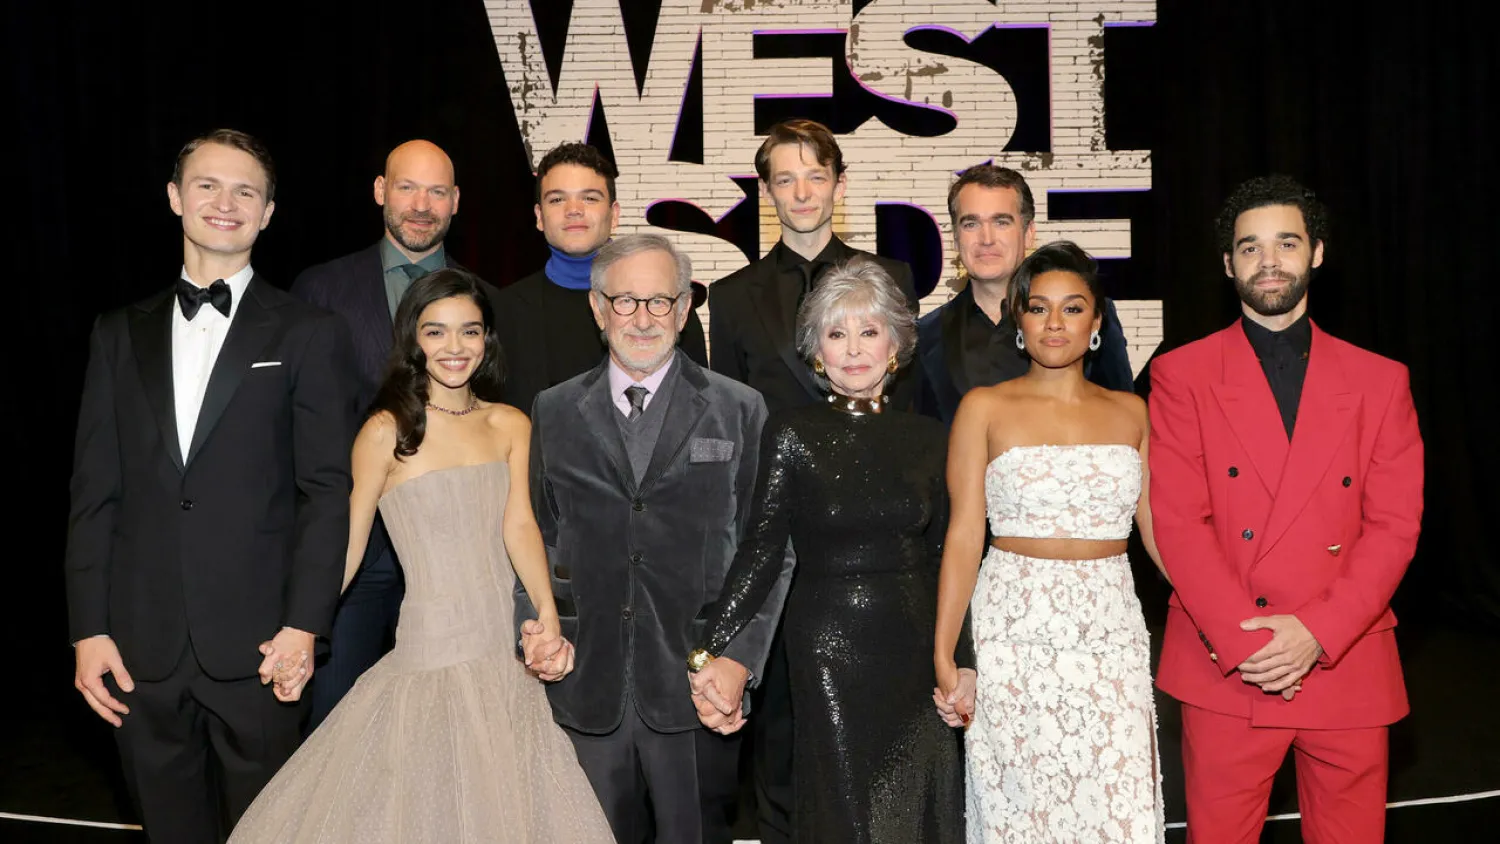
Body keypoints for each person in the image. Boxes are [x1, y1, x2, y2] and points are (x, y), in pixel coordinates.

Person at [228, 269, 613, 843]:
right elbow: (349, 545)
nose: (454, 348)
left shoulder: (510, 423)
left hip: (503, 654)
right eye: (436, 332)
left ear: (487, 340)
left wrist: (547, 615)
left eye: (470, 332)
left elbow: (520, 524)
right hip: (429, 648)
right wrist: (300, 629)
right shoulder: (385, 431)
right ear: (413, 339)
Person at [64, 128, 356, 843]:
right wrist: (88, 629)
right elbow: (93, 493)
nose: (225, 203)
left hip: (261, 651)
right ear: (174, 198)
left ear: (267, 213)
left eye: (245, 191)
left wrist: (303, 627)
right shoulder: (115, 332)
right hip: (138, 650)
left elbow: (328, 491)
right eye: (207, 185)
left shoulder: (311, 333)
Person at [1149, 175, 1423, 843]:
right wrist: (1253, 646)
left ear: (1318, 253)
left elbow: (1394, 527)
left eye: (1287, 242)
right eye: (1250, 247)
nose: (1269, 261)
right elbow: (1180, 524)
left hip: (1345, 657)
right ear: (1227, 264)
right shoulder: (1180, 375)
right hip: (1231, 664)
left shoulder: (1381, 380)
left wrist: (1317, 634)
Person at [691, 259, 967, 842]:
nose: (854, 349)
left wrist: (960, 660)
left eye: (869, 331)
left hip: (917, 645)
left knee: (918, 808)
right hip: (827, 646)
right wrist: (709, 648)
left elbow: (948, 559)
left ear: (895, 342)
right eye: (836, 334)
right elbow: (762, 550)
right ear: (816, 350)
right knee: (845, 811)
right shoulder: (792, 433)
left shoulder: (930, 439)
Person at [522, 234, 778, 843]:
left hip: (699, 684)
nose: (642, 318)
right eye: (626, 300)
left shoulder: (740, 409)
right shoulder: (553, 411)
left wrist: (740, 659)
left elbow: (767, 549)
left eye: (660, 302)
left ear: (685, 308)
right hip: (583, 685)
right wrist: (533, 629)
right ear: (597, 307)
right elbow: (535, 535)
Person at [706, 118, 917, 842]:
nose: (802, 192)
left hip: (869, 547)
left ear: (839, 183)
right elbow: (730, 429)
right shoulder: (731, 297)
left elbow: (904, 416)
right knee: (782, 741)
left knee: (885, 743)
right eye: (785, 178)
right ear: (766, 191)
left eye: (815, 175)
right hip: (780, 535)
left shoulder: (890, 280)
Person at [934, 241, 1166, 842]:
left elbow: (1159, 533)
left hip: (1110, 632)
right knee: (1020, 810)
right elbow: (963, 537)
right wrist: (946, 654)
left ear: (1096, 321)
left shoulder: (1133, 412)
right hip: (1013, 631)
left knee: (1118, 806)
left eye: (1072, 308)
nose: (1054, 323)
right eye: (1038, 308)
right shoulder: (983, 407)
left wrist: (1222, 612)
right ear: (1019, 319)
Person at [291, 139, 501, 729]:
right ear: (381, 192)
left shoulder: (483, 299)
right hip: (354, 557)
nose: (421, 204)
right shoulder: (320, 290)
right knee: (338, 729)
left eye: (437, 191)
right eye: (407, 187)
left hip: (451, 565)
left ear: (456, 202)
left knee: (449, 736)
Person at [494, 142, 707, 414]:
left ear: (614, 214)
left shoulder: (662, 303)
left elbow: (701, 410)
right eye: (557, 199)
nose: (574, 209)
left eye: (590, 198)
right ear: (539, 216)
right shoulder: (505, 311)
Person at [916, 163, 1134, 426]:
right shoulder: (924, 336)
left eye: (1001, 222)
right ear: (955, 239)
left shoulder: (1085, 317)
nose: (986, 238)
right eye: (971, 223)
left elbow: (1124, 422)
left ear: (1029, 233)